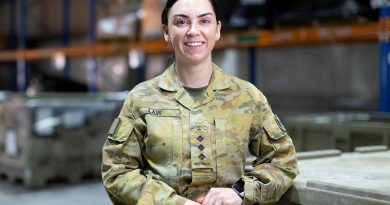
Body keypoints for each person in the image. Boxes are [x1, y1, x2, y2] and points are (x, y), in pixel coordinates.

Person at [101, 0, 298, 204]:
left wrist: (240, 191)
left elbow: (283, 161)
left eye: (204, 21)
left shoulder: (247, 98)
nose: (193, 31)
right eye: (181, 22)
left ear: (217, 30)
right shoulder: (141, 99)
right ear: (166, 31)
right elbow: (117, 173)